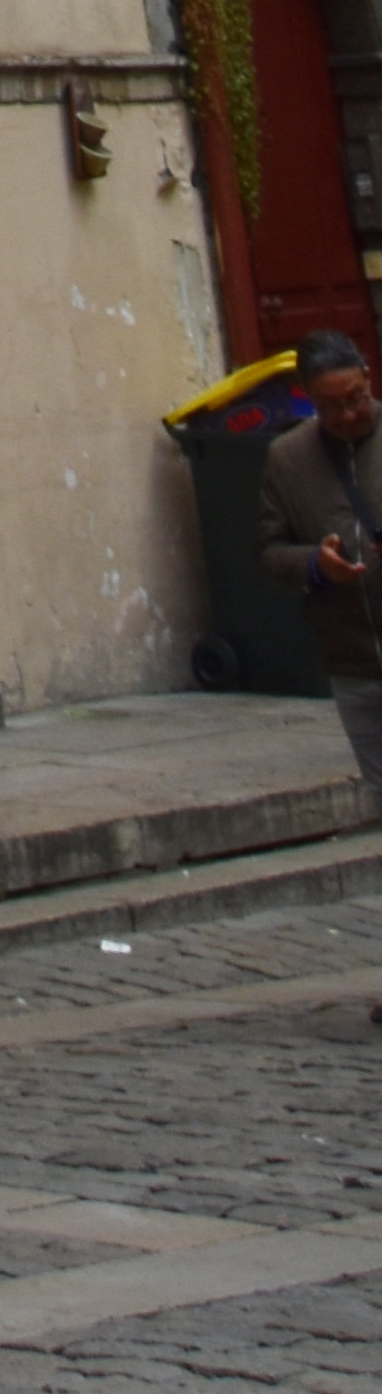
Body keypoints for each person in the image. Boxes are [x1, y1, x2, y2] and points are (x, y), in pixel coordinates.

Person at [255, 334, 382, 1017]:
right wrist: (315, 564)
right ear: (311, 399)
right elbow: (268, 549)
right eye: (332, 406)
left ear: (369, 379)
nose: (347, 416)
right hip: (355, 660)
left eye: (356, 399)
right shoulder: (287, 458)